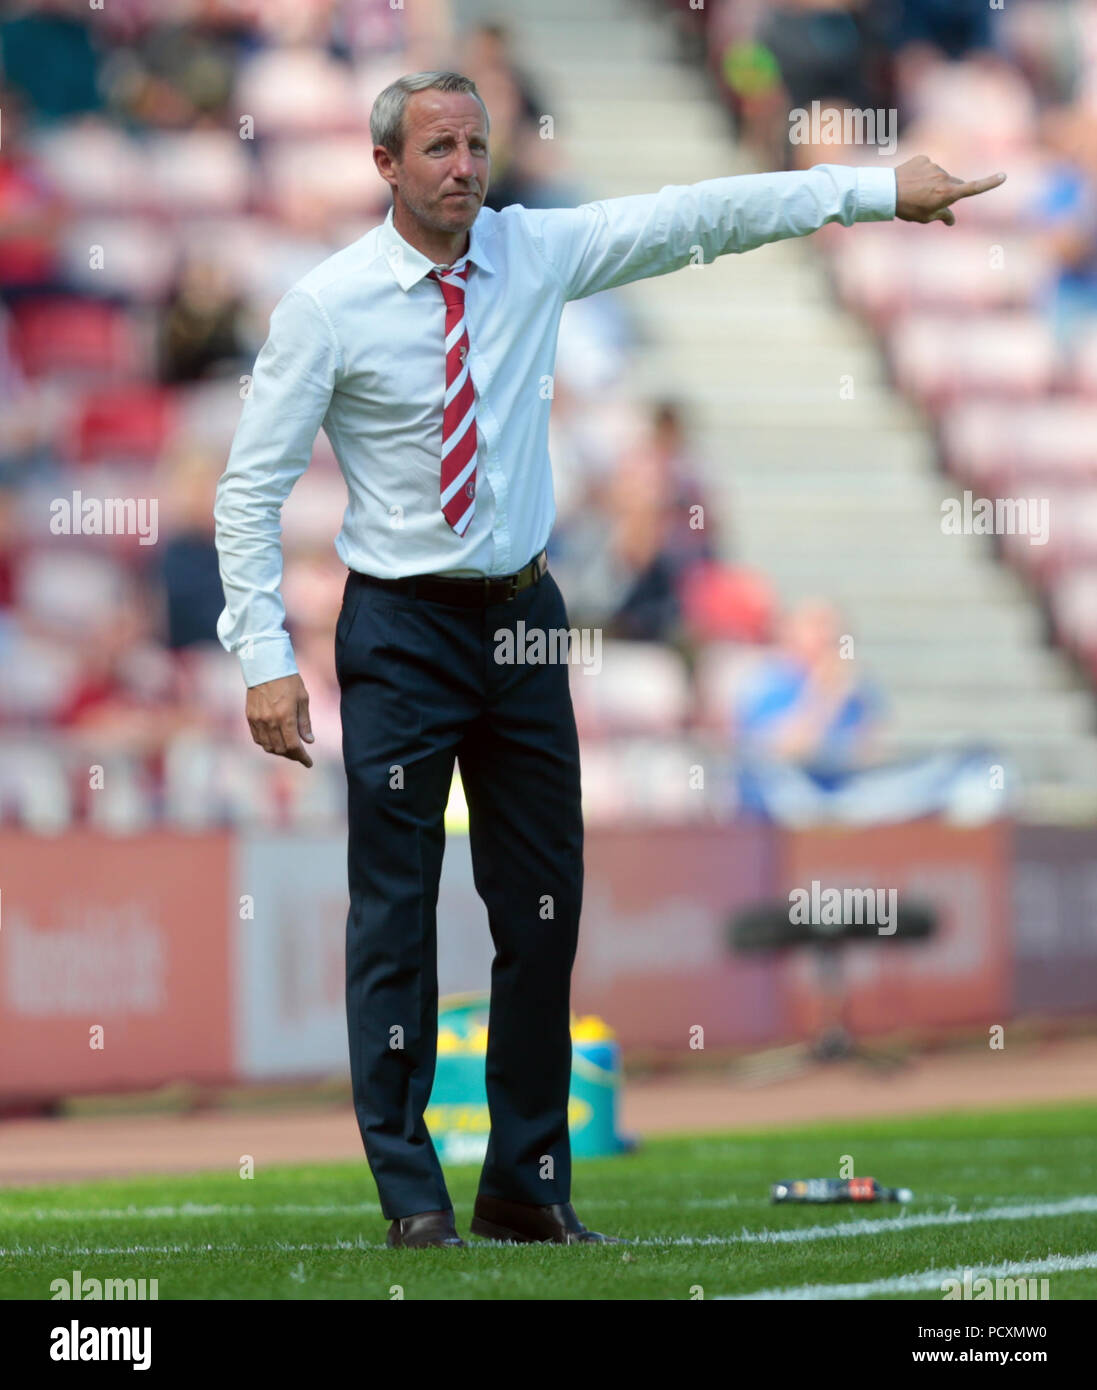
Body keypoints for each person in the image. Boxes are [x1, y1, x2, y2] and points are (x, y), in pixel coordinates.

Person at [212, 69, 1005, 1248]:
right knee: (394, 913)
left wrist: (872, 190)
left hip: (524, 618)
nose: (464, 166)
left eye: (476, 143)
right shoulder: (324, 308)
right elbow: (249, 489)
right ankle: (411, 1190)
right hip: (397, 629)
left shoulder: (532, 253)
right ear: (385, 165)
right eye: (437, 146)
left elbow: (694, 215)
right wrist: (264, 653)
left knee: (543, 907)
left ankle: (526, 1183)